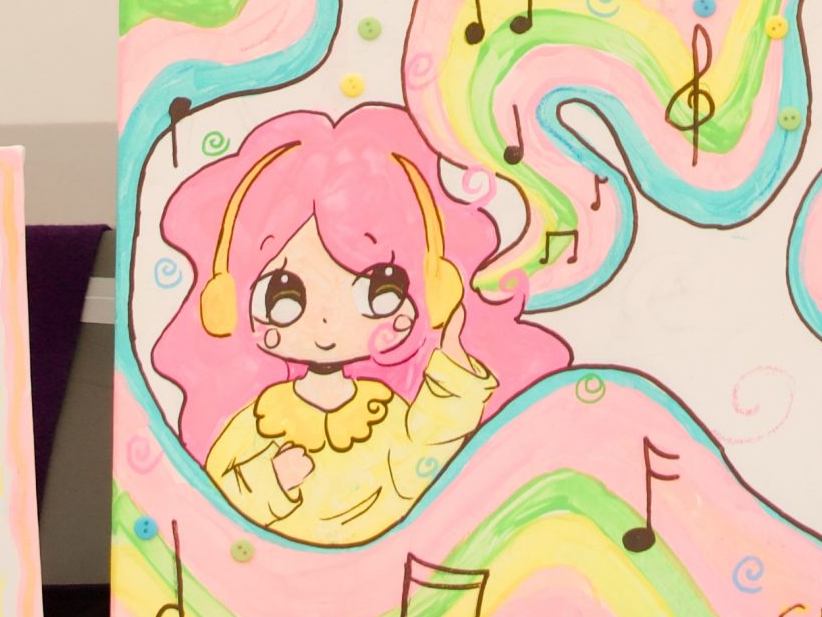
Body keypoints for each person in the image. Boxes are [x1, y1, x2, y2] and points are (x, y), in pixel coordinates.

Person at [149, 103, 567, 544]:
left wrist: (452, 365)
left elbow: (423, 461)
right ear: (230, 299)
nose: (327, 318)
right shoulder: (255, 423)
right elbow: (213, 508)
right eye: (286, 294)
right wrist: (270, 481)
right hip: (274, 584)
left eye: (377, 288)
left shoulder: (382, 412)